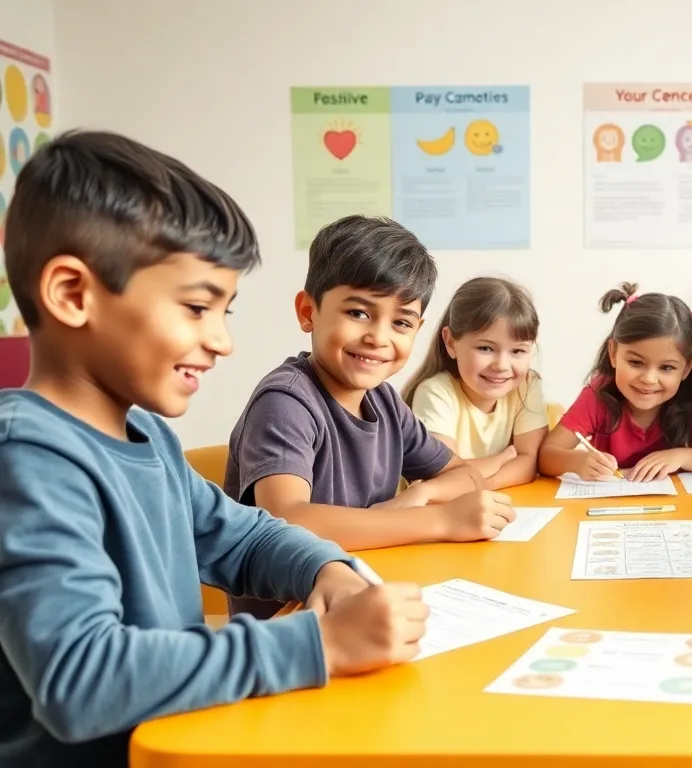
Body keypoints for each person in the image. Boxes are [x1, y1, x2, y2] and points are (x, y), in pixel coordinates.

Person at [0, 131, 425, 766]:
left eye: (224, 311)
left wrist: (325, 569)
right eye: (197, 308)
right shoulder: (30, 459)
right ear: (71, 294)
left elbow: (244, 537)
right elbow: (79, 679)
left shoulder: (146, 439)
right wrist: (318, 646)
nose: (222, 341)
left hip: (186, 738)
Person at [225, 215, 513, 618]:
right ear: (308, 311)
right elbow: (287, 520)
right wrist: (441, 520)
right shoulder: (286, 401)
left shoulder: (383, 400)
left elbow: (464, 473)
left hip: (366, 593)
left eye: (400, 322)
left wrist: (420, 495)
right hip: (291, 623)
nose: (379, 337)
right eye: (359, 313)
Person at [539, 283, 692, 481]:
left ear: (686, 368)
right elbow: (546, 456)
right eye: (635, 362)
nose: (649, 379)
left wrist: (680, 456)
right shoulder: (598, 395)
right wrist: (578, 462)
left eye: (666, 368)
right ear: (614, 353)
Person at [404, 277, 547, 490]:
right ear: (451, 342)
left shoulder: (526, 386)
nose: (501, 365)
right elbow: (439, 477)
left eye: (517, 351)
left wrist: (470, 479)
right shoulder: (435, 392)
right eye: (486, 348)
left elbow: (528, 464)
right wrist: (497, 461)